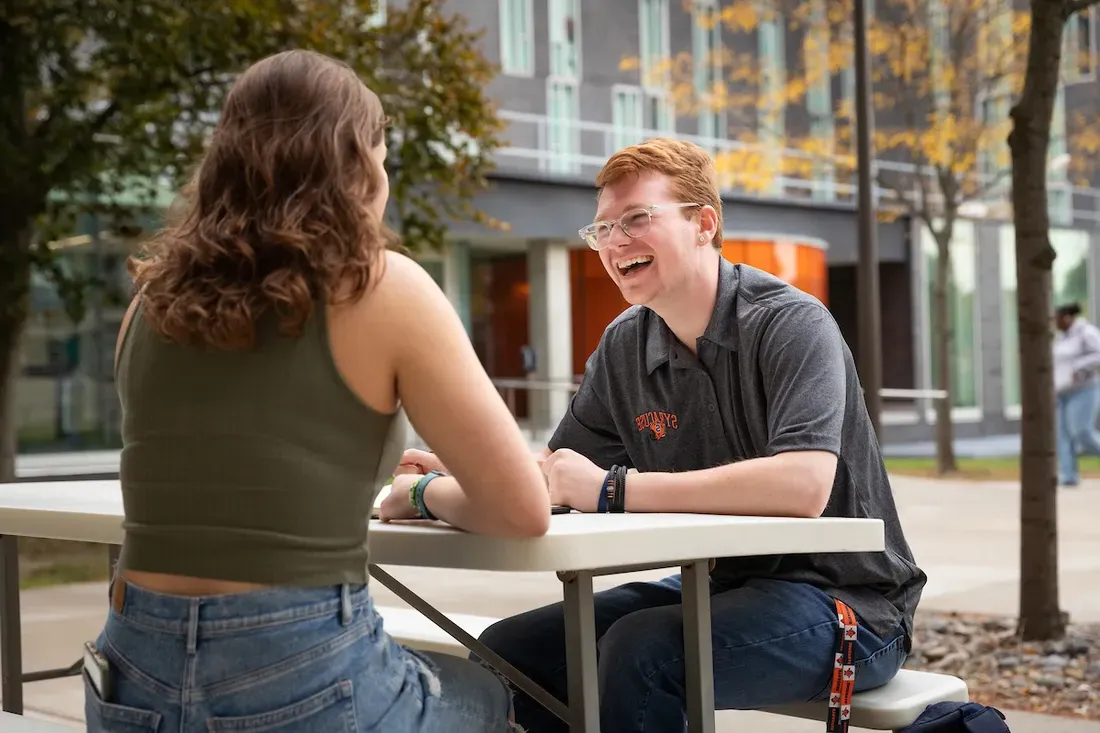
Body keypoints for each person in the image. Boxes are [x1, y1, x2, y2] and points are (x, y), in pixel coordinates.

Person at [88, 49, 549, 733]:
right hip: (299, 665)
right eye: (383, 154)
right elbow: (522, 510)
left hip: (131, 669)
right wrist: (420, 494)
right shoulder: (383, 285)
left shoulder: (150, 300)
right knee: (495, 694)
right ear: (357, 163)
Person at [402, 138, 927, 732]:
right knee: (512, 649)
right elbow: (553, 474)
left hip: (847, 601)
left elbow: (803, 483)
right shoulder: (625, 344)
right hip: (716, 585)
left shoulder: (790, 322)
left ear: (704, 224)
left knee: (644, 652)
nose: (614, 242)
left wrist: (612, 490)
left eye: (636, 219)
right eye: (602, 229)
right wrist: (444, 480)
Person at [1053, 301, 1100, 487]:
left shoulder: (1086, 333)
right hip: (1061, 391)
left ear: (1067, 318)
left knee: (1082, 432)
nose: (1054, 323)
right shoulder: (1060, 338)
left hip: (1083, 389)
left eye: (1056, 319)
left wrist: (1078, 369)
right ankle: (1068, 475)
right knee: (1063, 435)